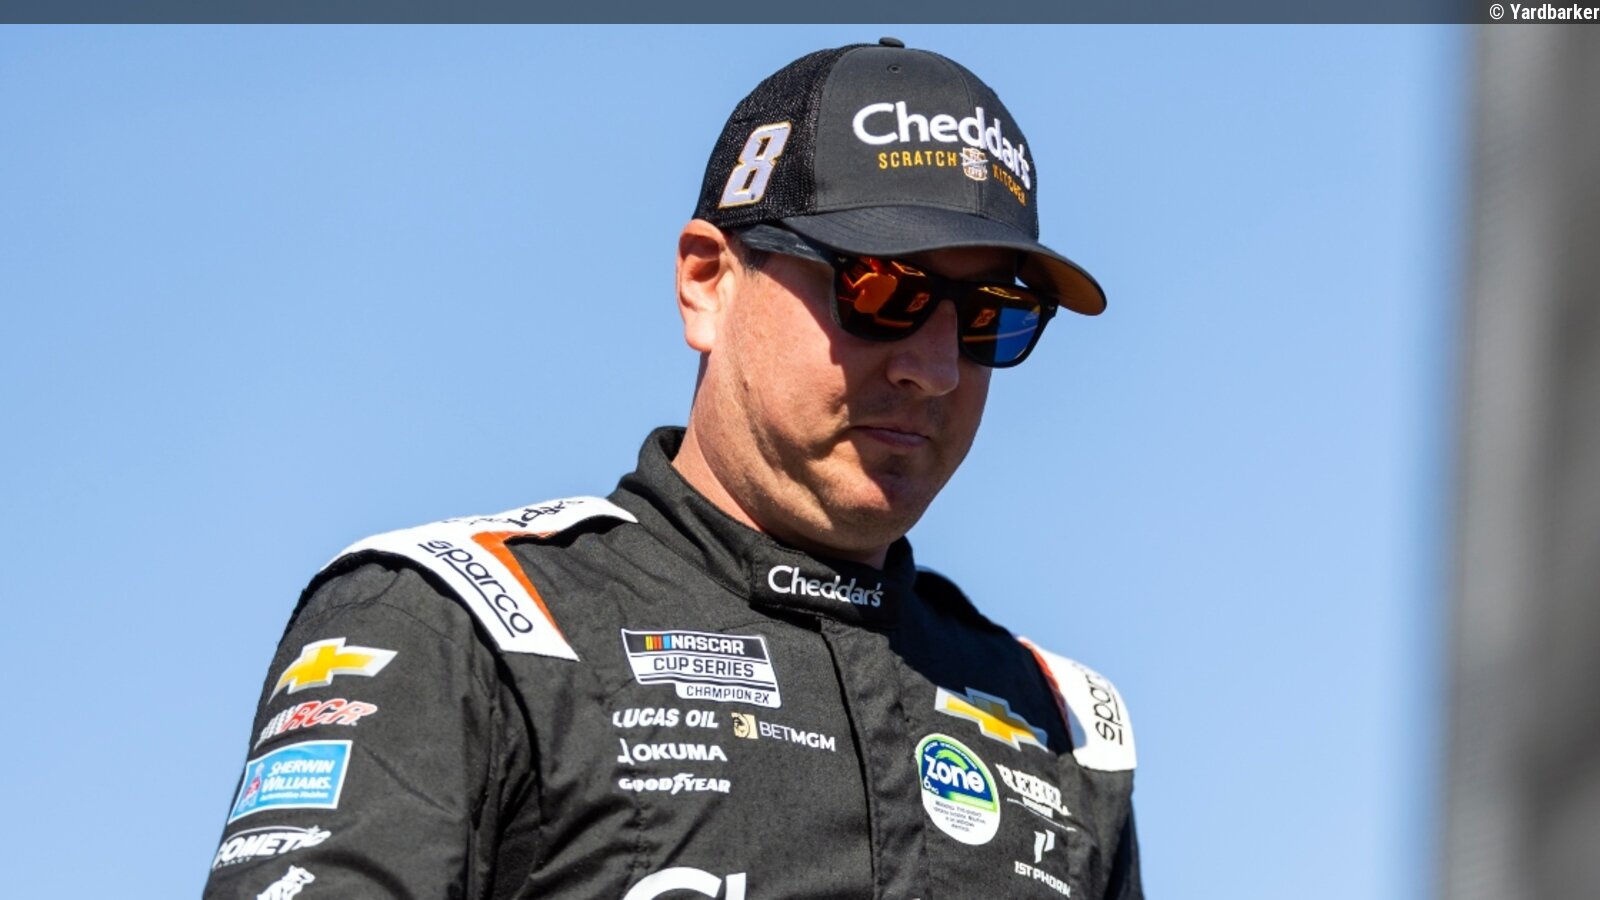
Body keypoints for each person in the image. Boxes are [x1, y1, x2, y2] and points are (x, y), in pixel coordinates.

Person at [203, 37, 1141, 900]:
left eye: (987, 318)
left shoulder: (1063, 723)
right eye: (881, 292)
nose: (934, 369)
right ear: (707, 281)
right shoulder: (460, 620)